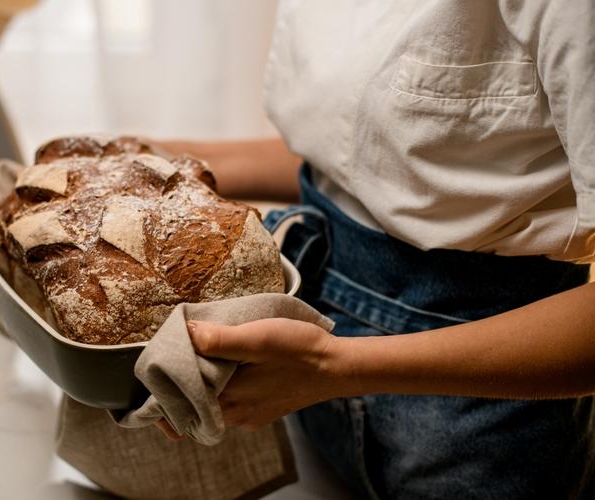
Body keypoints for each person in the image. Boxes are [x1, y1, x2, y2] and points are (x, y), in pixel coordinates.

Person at [155, 2, 595, 499]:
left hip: (481, 411)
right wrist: (160, 161)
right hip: (310, 363)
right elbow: (369, 161)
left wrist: (333, 368)